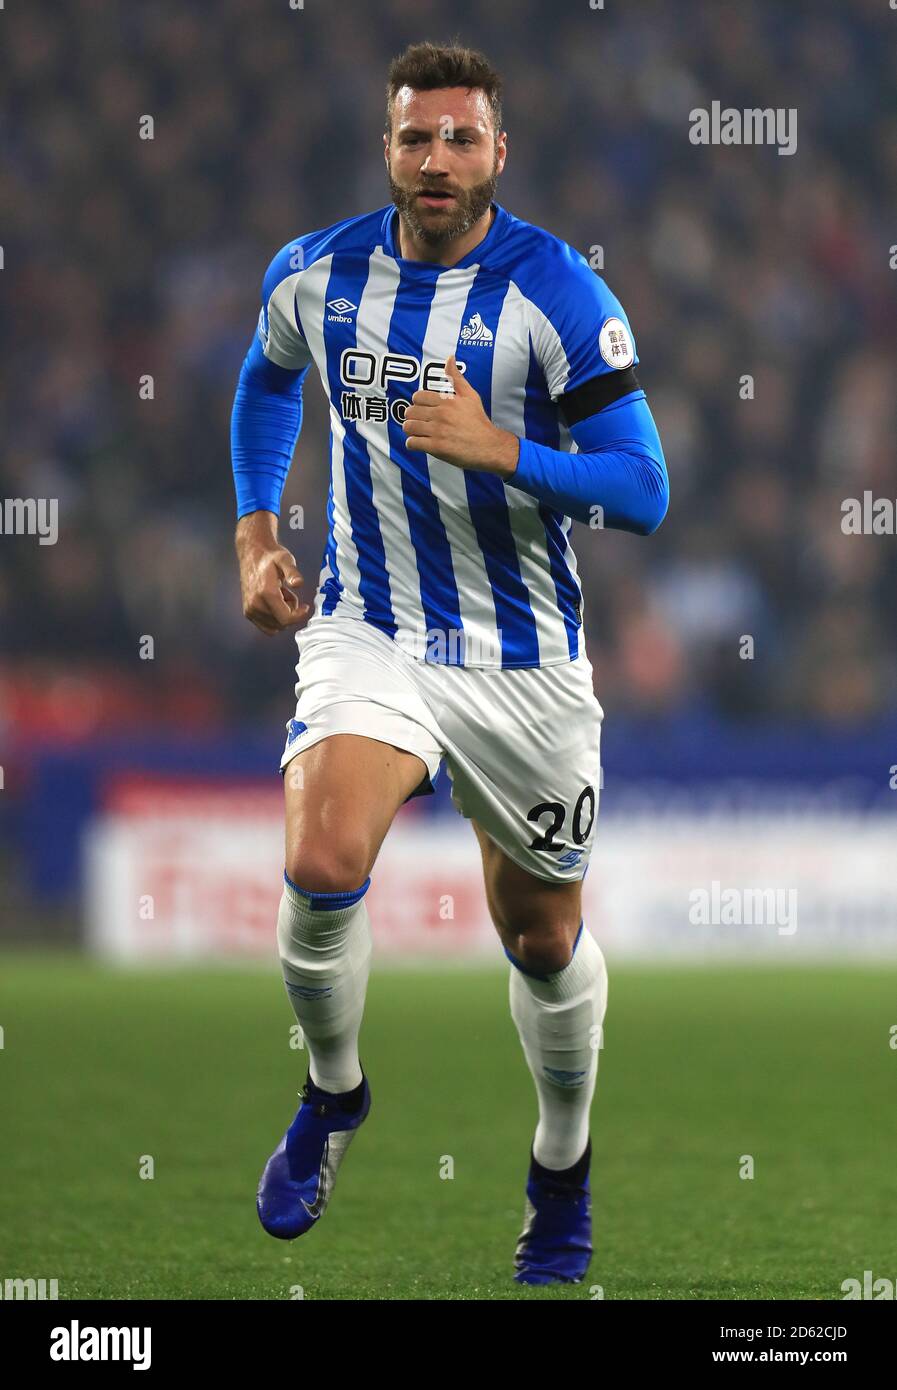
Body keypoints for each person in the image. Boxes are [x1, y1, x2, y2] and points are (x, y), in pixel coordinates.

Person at [230, 39, 668, 1285]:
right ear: (389, 147)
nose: (438, 160)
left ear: (497, 154)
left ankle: (562, 1167)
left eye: (461, 138)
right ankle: (333, 1095)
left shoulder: (562, 294)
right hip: (372, 630)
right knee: (319, 860)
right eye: (417, 137)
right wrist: (258, 533)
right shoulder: (314, 273)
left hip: (523, 661)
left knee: (540, 938)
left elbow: (644, 489)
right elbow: (266, 385)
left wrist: (503, 449)